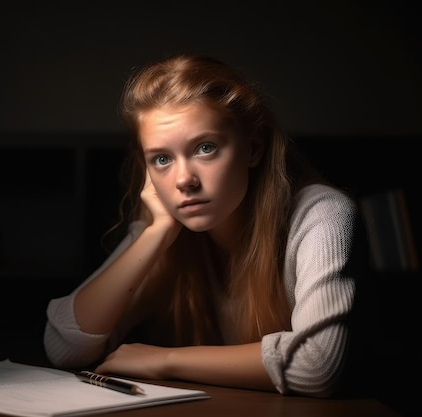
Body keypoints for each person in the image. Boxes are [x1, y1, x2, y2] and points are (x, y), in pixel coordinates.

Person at [43, 53, 374, 398]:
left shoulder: (323, 216)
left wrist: (164, 361)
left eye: (205, 148)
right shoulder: (166, 227)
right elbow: (64, 347)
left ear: (253, 148)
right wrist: (156, 234)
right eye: (162, 159)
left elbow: (318, 364)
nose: (184, 180)